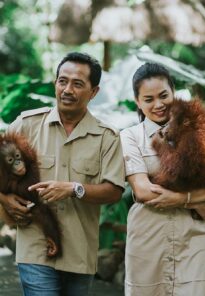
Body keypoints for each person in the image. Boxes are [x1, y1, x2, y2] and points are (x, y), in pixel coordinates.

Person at [0, 52, 125, 295]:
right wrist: (4, 199)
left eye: (78, 84)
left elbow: (114, 191)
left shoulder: (107, 137)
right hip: (35, 249)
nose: (67, 89)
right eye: (62, 81)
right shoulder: (27, 125)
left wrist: (73, 189)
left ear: (93, 92)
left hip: (80, 253)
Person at [120, 62, 205, 296]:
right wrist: (194, 201)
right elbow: (142, 190)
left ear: (173, 92)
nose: (158, 105)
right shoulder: (130, 137)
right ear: (138, 101)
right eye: (148, 99)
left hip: (195, 237)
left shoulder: (201, 127)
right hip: (148, 238)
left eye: (163, 96)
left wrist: (181, 197)